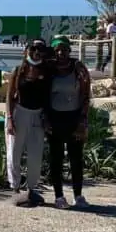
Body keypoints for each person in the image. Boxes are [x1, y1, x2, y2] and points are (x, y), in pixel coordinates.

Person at [46, 36, 92, 208]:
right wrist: (46, 120)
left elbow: (86, 94)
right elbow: (43, 95)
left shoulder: (78, 68)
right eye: (57, 49)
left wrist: (83, 120)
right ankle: (59, 196)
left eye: (64, 49)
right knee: (56, 159)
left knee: (76, 159)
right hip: (55, 118)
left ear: (69, 50)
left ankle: (78, 196)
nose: (60, 53)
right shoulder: (49, 69)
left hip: (74, 117)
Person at [5, 38, 50, 206]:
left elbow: (47, 98)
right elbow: (9, 96)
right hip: (19, 113)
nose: (36, 52)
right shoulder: (18, 71)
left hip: (38, 115)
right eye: (33, 49)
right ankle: (15, 188)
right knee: (14, 151)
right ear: (26, 51)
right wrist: (10, 119)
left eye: (40, 49)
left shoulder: (46, 73)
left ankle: (32, 189)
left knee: (35, 154)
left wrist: (46, 118)